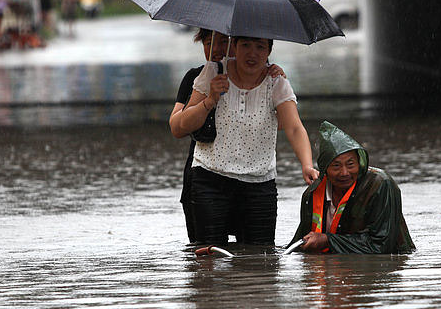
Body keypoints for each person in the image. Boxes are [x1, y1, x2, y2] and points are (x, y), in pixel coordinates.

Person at [176, 36, 318, 246]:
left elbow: (294, 127)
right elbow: (182, 126)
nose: (252, 53)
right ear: (234, 47)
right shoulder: (213, 72)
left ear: (269, 51)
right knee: (209, 258)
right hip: (210, 178)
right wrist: (210, 99)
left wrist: (307, 164)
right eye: (246, 45)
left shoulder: (277, 81)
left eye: (260, 47)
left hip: (258, 182)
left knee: (260, 261)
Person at [290, 121, 415, 254]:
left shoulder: (381, 185)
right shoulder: (312, 194)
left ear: (360, 164)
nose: (344, 173)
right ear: (325, 169)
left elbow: (381, 246)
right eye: (336, 166)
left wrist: (328, 240)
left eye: (350, 165)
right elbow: (300, 244)